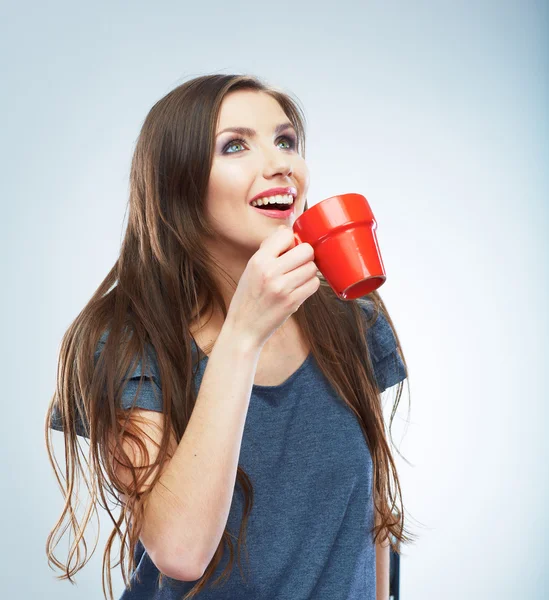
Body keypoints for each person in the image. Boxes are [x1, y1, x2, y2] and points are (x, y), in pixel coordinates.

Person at [45, 74, 416, 600]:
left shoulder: (350, 315)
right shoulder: (122, 339)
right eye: (236, 145)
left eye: (285, 141)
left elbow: (374, 512)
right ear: (180, 181)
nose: (280, 162)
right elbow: (179, 551)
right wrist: (243, 334)